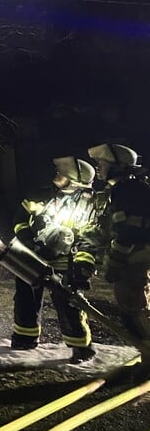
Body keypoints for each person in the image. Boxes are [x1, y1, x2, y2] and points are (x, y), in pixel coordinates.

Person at [10, 156, 101, 364]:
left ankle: (81, 348)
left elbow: (90, 236)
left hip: (65, 261)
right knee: (25, 299)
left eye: (62, 175)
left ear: (73, 181)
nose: (57, 176)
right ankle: (24, 339)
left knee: (70, 304)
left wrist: (84, 263)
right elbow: (19, 220)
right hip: (32, 256)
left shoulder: (88, 204)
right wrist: (29, 241)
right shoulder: (41, 194)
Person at [87, 143, 150, 360]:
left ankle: (148, 357)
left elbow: (126, 233)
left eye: (102, 163)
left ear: (117, 167)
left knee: (134, 310)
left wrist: (114, 264)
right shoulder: (135, 189)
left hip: (134, 261)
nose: (99, 168)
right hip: (140, 259)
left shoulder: (125, 191)